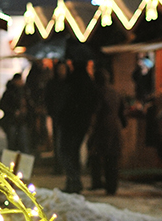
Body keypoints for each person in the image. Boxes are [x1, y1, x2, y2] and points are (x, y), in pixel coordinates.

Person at [57, 62, 98, 194]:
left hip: (69, 123)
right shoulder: (88, 82)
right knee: (73, 152)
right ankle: (75, 181)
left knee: (67, 152)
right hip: (81, 123)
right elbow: (93, 102)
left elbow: (65, 102)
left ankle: (73, 181)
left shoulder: (72, 82)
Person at [88, 67, 126, 195]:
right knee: (112, 159)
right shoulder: (115, 92)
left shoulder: (98, 92)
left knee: (97, 155)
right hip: (115, 127)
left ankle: (98, 182)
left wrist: (92, 127)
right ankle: (112, 185)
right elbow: (122, 112)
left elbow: (95, 111)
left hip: (102, 128)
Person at [44, 62, 69, 173]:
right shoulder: (53, 84)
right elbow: (48, 99)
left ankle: (64, 165)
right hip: (57, 116)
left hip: (66, 117)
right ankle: (58, 166)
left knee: (64, 143)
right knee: (58, 142)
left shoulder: (68, 84)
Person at [0, 73, 30, 154]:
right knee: (12, 143)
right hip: (12, 121)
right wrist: (13, 112)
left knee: (23, 143)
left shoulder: (25, 91)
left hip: (22, 121)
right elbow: (3, 105)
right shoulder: (10, 92)